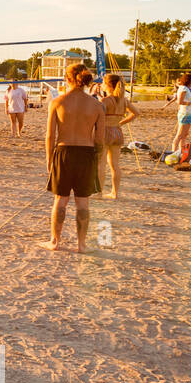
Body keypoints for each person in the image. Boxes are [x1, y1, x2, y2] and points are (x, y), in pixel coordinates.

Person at [42, 64, 105, 253]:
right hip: (86, 154)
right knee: (83, 202)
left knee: (60, 200)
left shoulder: (58, 102)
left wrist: (49, 159)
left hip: (63, 152)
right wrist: (97, 160)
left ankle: (55, 242)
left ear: (67, 79)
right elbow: (99, 139)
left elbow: (49, 136)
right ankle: (81, 245)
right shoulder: (97, 105)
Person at [97, 73, 139, 199]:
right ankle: (115, 193)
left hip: (105, 132)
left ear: (108, 85)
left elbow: (97, 116)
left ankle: (99, 193)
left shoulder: (105, 101)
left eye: (103, 83)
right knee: (114, 165)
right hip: (117, 131)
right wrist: (121, 122)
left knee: (101, 164)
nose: (102, 85)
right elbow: (136, 113)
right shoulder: (124, 100)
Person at [162, 72, 191, 153]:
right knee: (179, 135)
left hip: (189, 113)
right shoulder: (183, 89)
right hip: (185, 114)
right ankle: (173, 152)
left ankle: (180, 152)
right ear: (189, 80)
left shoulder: (187, 89)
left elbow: (188, 100)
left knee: (184, 135)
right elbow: (180, 101)